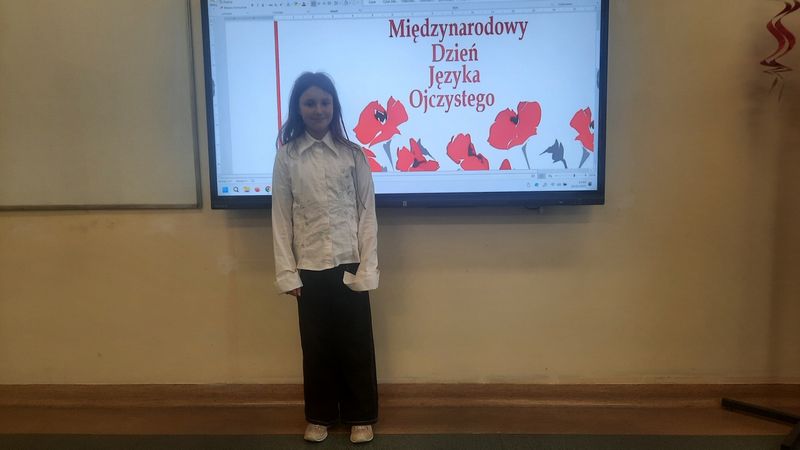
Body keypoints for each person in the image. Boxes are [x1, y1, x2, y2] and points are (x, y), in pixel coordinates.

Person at [271, 72, 380, 444]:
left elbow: (367, 214)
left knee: (355, 344)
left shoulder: (353, 154)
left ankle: (360, 416)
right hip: (310, 267)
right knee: (317, 347)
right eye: (310, 103)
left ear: (334, 106)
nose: (318, 109)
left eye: (324, 102)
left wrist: (368, 266)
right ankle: (320, 416)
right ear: (298, 108)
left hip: (350, 263)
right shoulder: (287, 157)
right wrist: (287, 273)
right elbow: (280, 218)